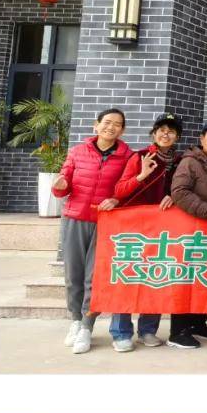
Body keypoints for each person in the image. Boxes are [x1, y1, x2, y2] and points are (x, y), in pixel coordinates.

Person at [51, 108, 133, 355]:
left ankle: (87, 326)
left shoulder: (127, 156)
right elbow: (63, 184)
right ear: (95, 125)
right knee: (72, 276)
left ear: (122, 130)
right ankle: (75, 321)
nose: (111, 127)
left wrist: (116, 200)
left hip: (105, 223)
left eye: (117, 124)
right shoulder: (77, 152)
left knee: (94, 278)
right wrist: (59, 186)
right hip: (75, 219)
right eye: (107, 122)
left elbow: (126, 189)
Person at [108, 113, 185, 352]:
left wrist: (174, 197)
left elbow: (184, 189)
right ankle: (121, 332)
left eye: (171, 131)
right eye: (161, 130)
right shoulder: (139, 156)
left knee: (156, 277)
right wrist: (142, 174)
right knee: (128, 277)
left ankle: (148, 330)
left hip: (162, 230)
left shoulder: (181, 161)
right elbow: (120, 191)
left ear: (177, 136)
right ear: (153, 133)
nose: (166, 134)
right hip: (133, 229)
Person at [168, 120, 207, 349]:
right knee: (186, 278)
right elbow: (179, 192)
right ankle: (178, 332)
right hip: (191, 231)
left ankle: (198, 323)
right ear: (202, 139)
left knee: (206, 277)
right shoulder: (190, 162)